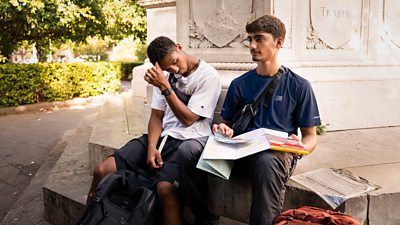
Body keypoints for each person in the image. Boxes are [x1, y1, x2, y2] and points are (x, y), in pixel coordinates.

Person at [178, 15, 321, 225]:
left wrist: (299, 146)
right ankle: (205, 217)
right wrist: (222, 129)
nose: (252, 45)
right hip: (239, 153)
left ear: (278, 42)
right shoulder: (239, 84)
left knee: (266, 161)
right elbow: (226, 123)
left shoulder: (300, 86)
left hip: (274, 157)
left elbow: (311, 137)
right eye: (250, 39)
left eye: (259, 39)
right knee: (187, 150)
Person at [87, 36, 221, 225]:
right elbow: (157, 116)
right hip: (161, 138)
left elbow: (189, 119)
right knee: (102, 169)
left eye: (175, 62)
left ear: (179, 47)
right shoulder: (164, 77)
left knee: (166, 190)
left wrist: (165, 88)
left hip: (188, 140)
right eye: (167, 69)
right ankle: (90, 218)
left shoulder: (208, 76)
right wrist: (151, 146)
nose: (174, 70)